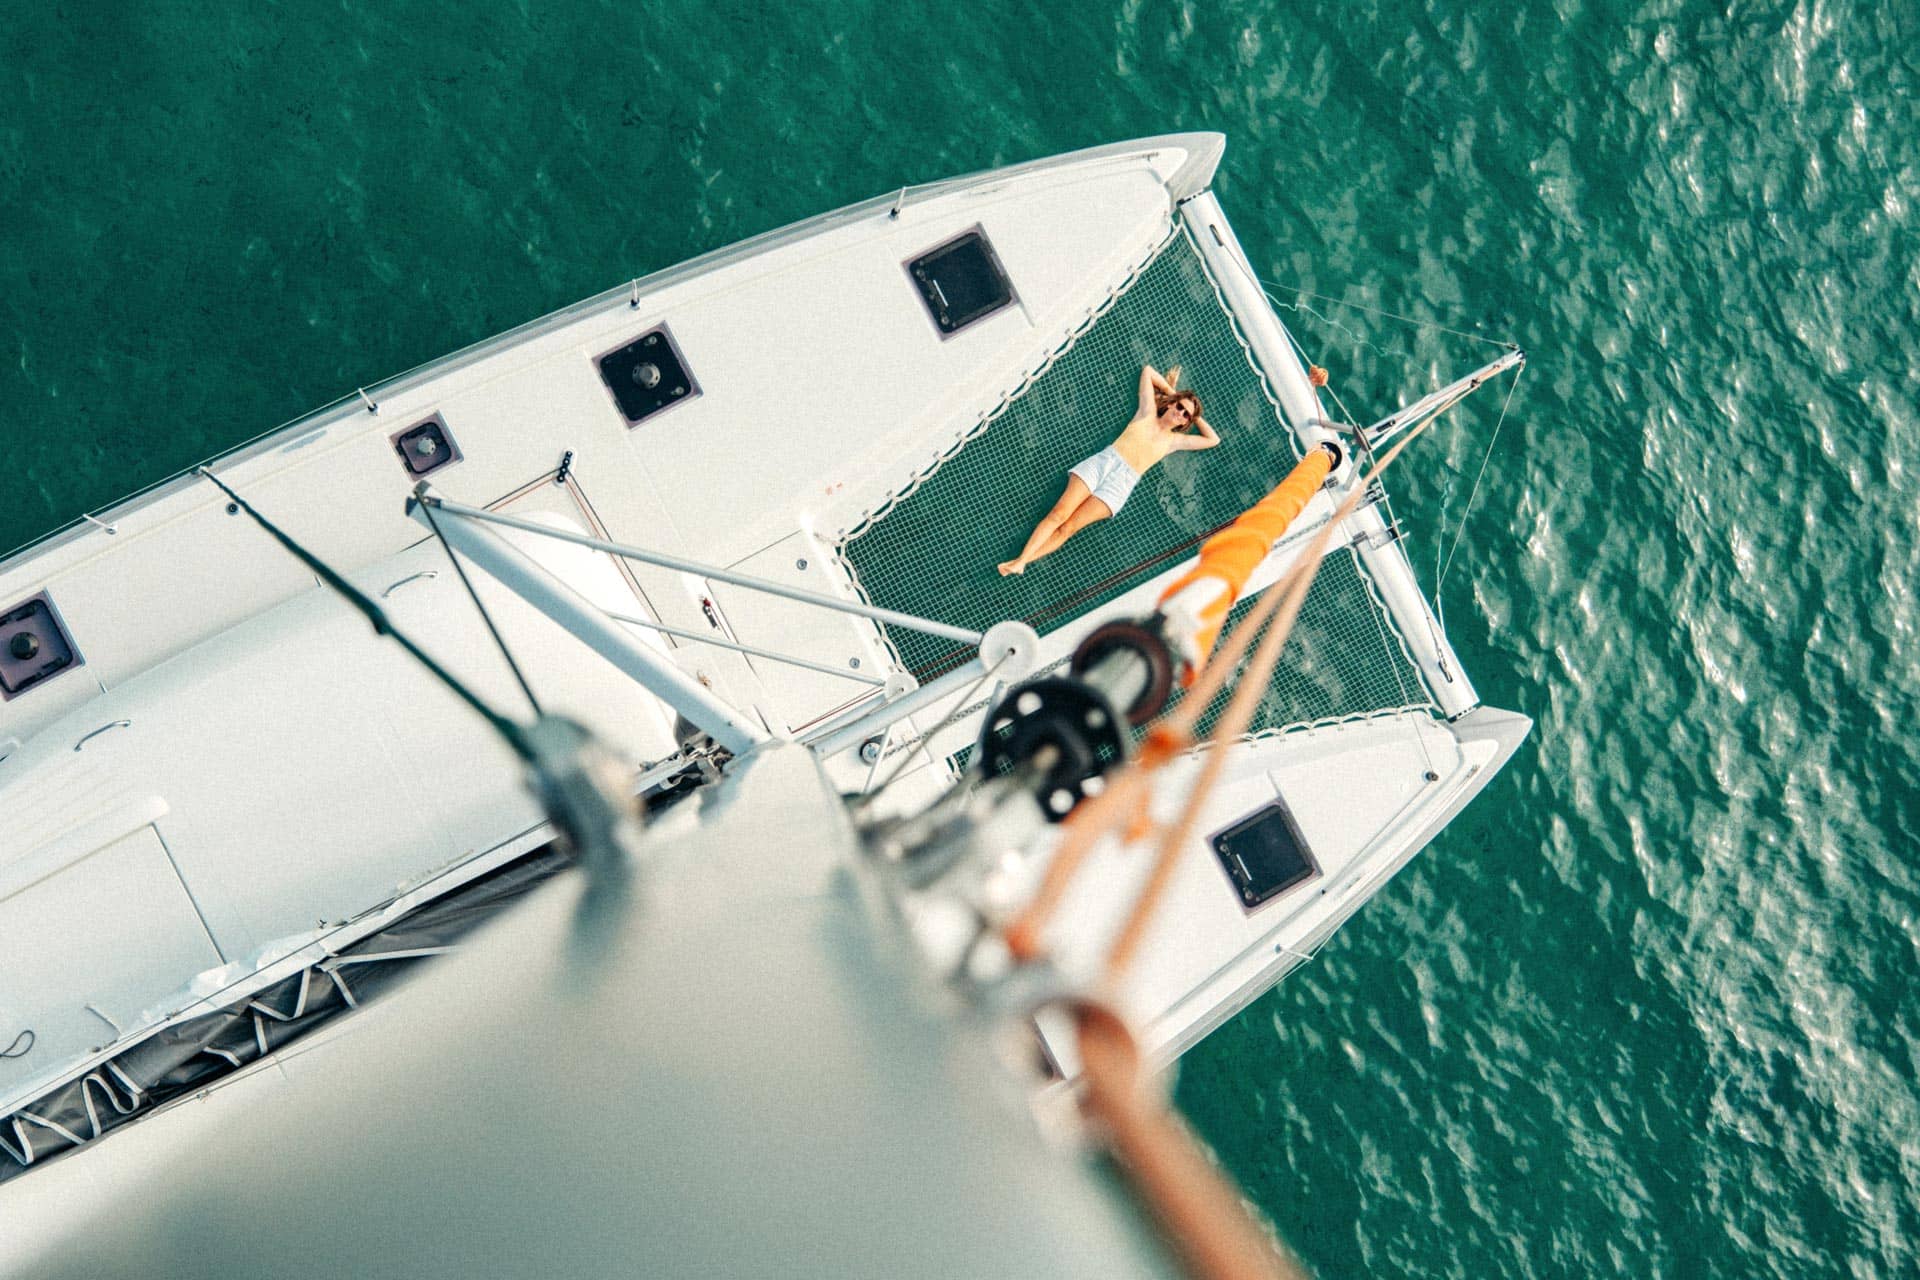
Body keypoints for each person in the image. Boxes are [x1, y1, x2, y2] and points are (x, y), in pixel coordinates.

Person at [997, 364, 1218, 576]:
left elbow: (1213, 440)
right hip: (1106, 462)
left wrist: (1195, 416)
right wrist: (1173, 393)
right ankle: (1021, 560)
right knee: (1059, 514)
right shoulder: (1147, 412)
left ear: (1186, 422)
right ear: (1171, 404)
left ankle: (1021, 563)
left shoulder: (1175, 441)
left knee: (1069, 528)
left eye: (1186, 415)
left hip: (1122, 484)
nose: (1181, 413)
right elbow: (1148, 372)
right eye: (1180, 407)